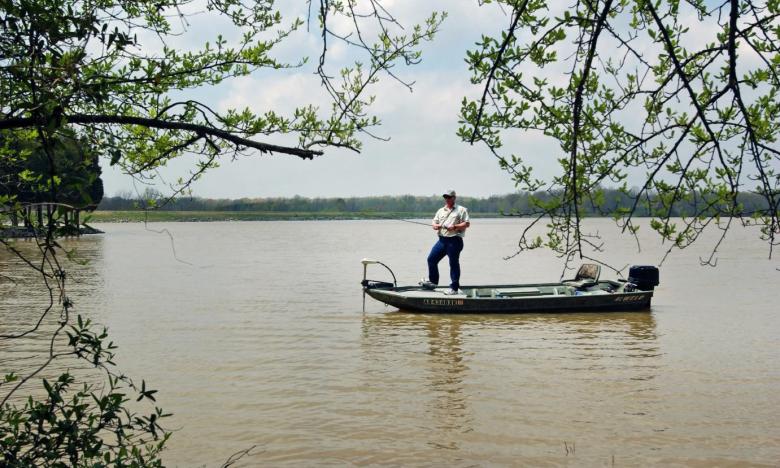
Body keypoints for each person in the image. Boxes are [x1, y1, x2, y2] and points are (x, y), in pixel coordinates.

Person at [424, 190, 470, 295]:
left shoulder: (461, 210)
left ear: (454, 197)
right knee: (431, 259)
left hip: (454, 241)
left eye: (449, 197)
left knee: (453, 263)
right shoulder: (440, 210)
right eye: (446, 197)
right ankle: (433, 282)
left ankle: (454, 288)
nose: (447, 199)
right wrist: (436, 226)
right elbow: (434, 223)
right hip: (442, 240)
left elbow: (467, 224)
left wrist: (454, 227)